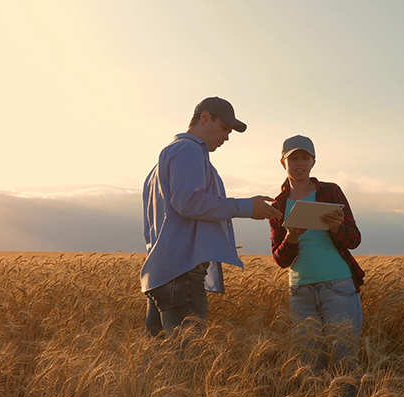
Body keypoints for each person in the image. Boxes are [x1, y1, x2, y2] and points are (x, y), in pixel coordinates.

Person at [142, 96, 282, 337]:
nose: (227, 136)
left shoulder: (166, 157)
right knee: (188, 362)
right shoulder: (189, 150)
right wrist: (247, 207)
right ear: (204, 118)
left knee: (162, 362)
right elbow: (189, 203)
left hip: (161, 274)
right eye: (224, 128)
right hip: (180, 272)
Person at [269, 135, 365, 376]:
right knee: (309, 366)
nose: (299, 163)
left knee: (344, 363)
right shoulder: (278, 206)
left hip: (339, 287)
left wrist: (336, 228)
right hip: (300, 292)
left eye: (305, 158)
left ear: (313, 162)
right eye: (293, 159)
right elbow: (280, 260)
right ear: (283, 163)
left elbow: (354, 239)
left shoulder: (331, 192)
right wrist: (291, 238)